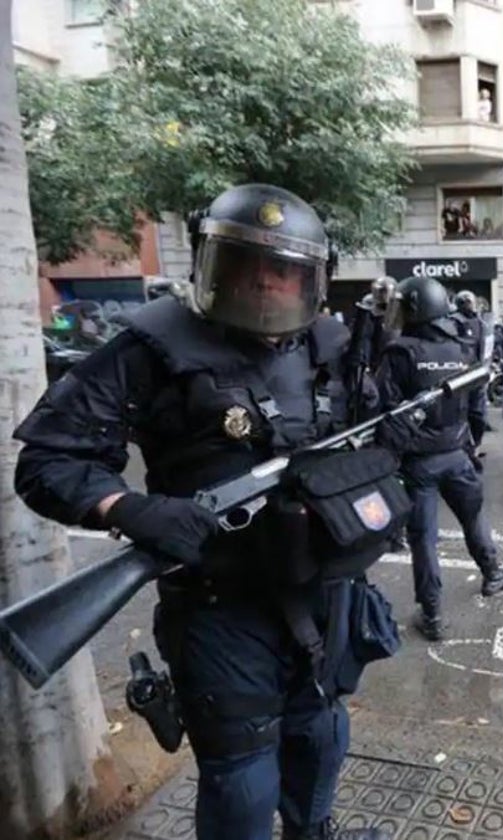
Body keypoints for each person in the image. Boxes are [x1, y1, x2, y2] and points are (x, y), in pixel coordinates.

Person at [14, 184, 401, 840]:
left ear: (309, 279)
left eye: (283, 270)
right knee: (244, 782)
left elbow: (373, 438)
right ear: (212, 265)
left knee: (321, 737)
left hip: (323, 594)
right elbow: (48, 461)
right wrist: (128, 507)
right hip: (219, 610)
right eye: (248, 266)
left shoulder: (332, 345)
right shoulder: (154, 347)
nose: (265, 284)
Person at [374, 276, 503, 641]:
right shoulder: (460, 350)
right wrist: (471, 445)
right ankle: (493, 573)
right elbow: (476, 407)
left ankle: (434, 614)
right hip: (457, 454)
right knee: (474, 517)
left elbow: (384, 412)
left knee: (424, 539)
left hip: (419, 462)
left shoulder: (399, 352)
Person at [449, 290, 489, 455]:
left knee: (478, 414)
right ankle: (463, 447)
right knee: (460, 412)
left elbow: (484, 346)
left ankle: (475, 445)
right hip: (461, 372)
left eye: (470, 301)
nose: (469, 304)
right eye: (465, 302)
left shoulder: (480, 322)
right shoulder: (453, 322)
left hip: (477, 372)